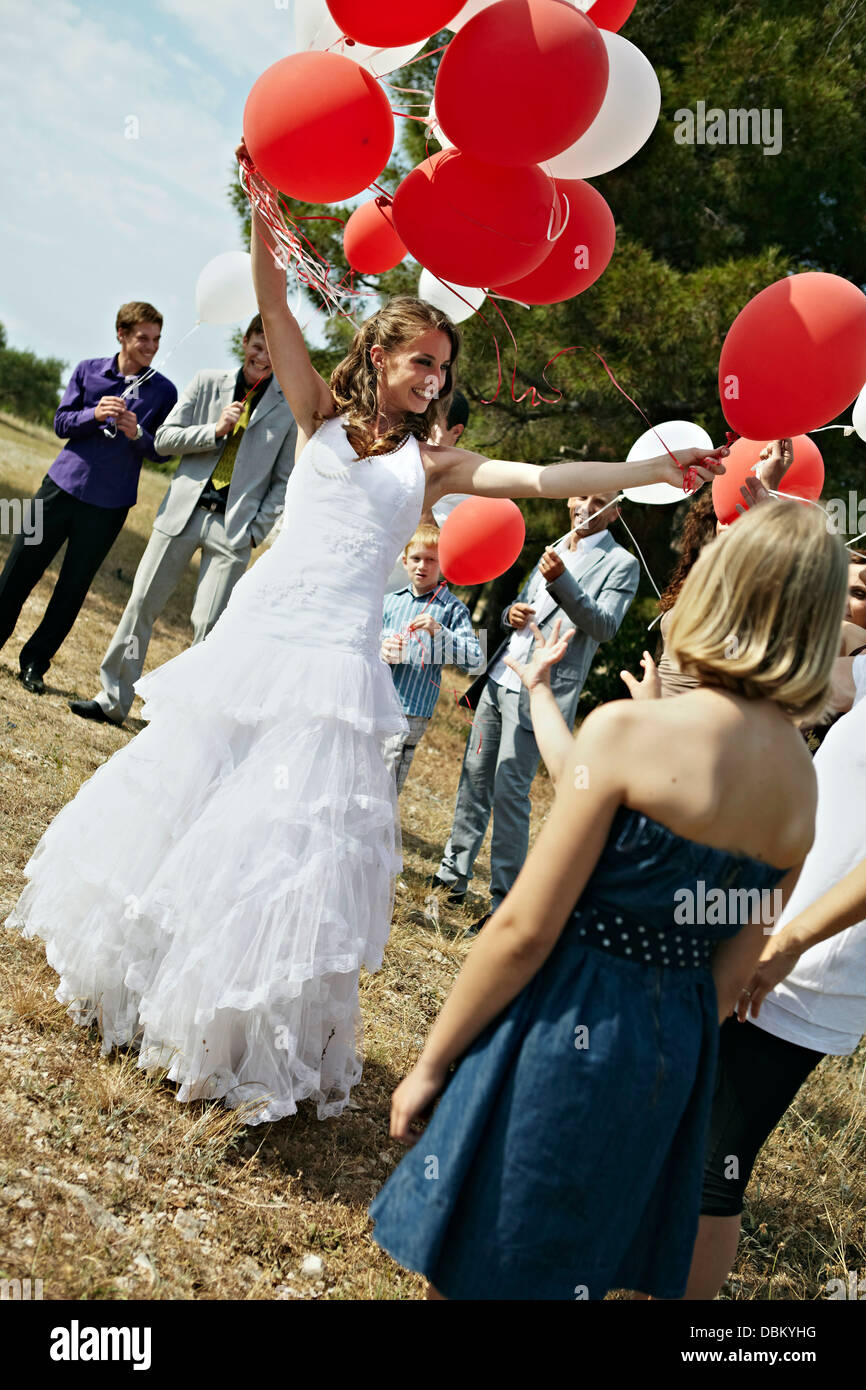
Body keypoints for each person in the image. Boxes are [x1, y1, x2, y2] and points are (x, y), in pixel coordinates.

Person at [4, 137, 726, 1126]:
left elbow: (548, 481)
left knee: (283, 834)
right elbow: (275, 310)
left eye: (443, 366)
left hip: (338, 659)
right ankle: (140, 977)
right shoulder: (315, 416)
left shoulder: (436, 466)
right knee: (197, 789)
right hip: (263, 629)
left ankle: (226, 1021)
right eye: (421, 360)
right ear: (379, 356)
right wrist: (264, 218)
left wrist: (645, 477)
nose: (434, 377)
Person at [368, 501, 848, 1300]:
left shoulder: (633, 730)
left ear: (717, 592)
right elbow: (733, 974)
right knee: (574, 1262)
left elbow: (523, 926)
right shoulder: (802, 785)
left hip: (563, 1021)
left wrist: (433, 1059)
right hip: (673, 1050)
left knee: (485, 1254)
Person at [683, 646, 866, 1300]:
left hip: (810, 968)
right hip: (766, 936)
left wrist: (790, 942)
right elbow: (836, 645)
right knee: (684, 1137)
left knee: (716, 1163)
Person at [69, 315, 297, 726]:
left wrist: (255, 533)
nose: (263, 358)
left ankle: (182, 722)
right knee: (141, 606)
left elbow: (282, 482)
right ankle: (113, 698)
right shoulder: (207, 382)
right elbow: (163, 439)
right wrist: (214, 429)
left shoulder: (288, 408)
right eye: (258, 346)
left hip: (234, 529)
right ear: (245, 341)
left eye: (274, 350)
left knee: (209, 628)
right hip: (182, 513)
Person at [432, 490, 639, 932]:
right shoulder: (557, 545)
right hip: (501, 677)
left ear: (615, 510)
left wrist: (564, 581)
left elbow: (603, 626)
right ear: (569, 500)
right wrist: (510, 613)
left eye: (599, 500)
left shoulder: (621, 564)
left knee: (510, 793)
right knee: (474, 778)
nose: (585, 505)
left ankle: (504, 903)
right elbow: (520, 608)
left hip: (541, 692)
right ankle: (451, 876)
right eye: (580, 495)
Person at [0, 303, 177, 694]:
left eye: (156, 339)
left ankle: (34, 663)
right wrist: (93, 414)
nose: (151, 346)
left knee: (72, 588)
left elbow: (163, 451)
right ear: (121, 334)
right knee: (17, 568)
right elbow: (61, 422)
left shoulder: (164, 392)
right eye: (143, 338)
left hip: (109, 506)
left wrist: (138, 435)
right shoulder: (87, 370)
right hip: (58, 489)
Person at [381, 523, 484, 793]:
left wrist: (439, 631)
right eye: (416, 558)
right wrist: (382, 649)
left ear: (443, 564)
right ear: (404, 561)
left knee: (388, 775)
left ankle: (374, 831)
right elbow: (365, 642)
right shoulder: (389, 601)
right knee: (363, 764)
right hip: (376, 698)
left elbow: (476, 660)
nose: (422, 566)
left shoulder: (453, 609)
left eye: (431, 560)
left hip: (412, 709)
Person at [384, 390, 472, 596]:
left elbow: (437, 544)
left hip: (401, 600)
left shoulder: (466, 492)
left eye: (432, 421)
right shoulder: (393, 458)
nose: (421, 427)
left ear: (456, 431)